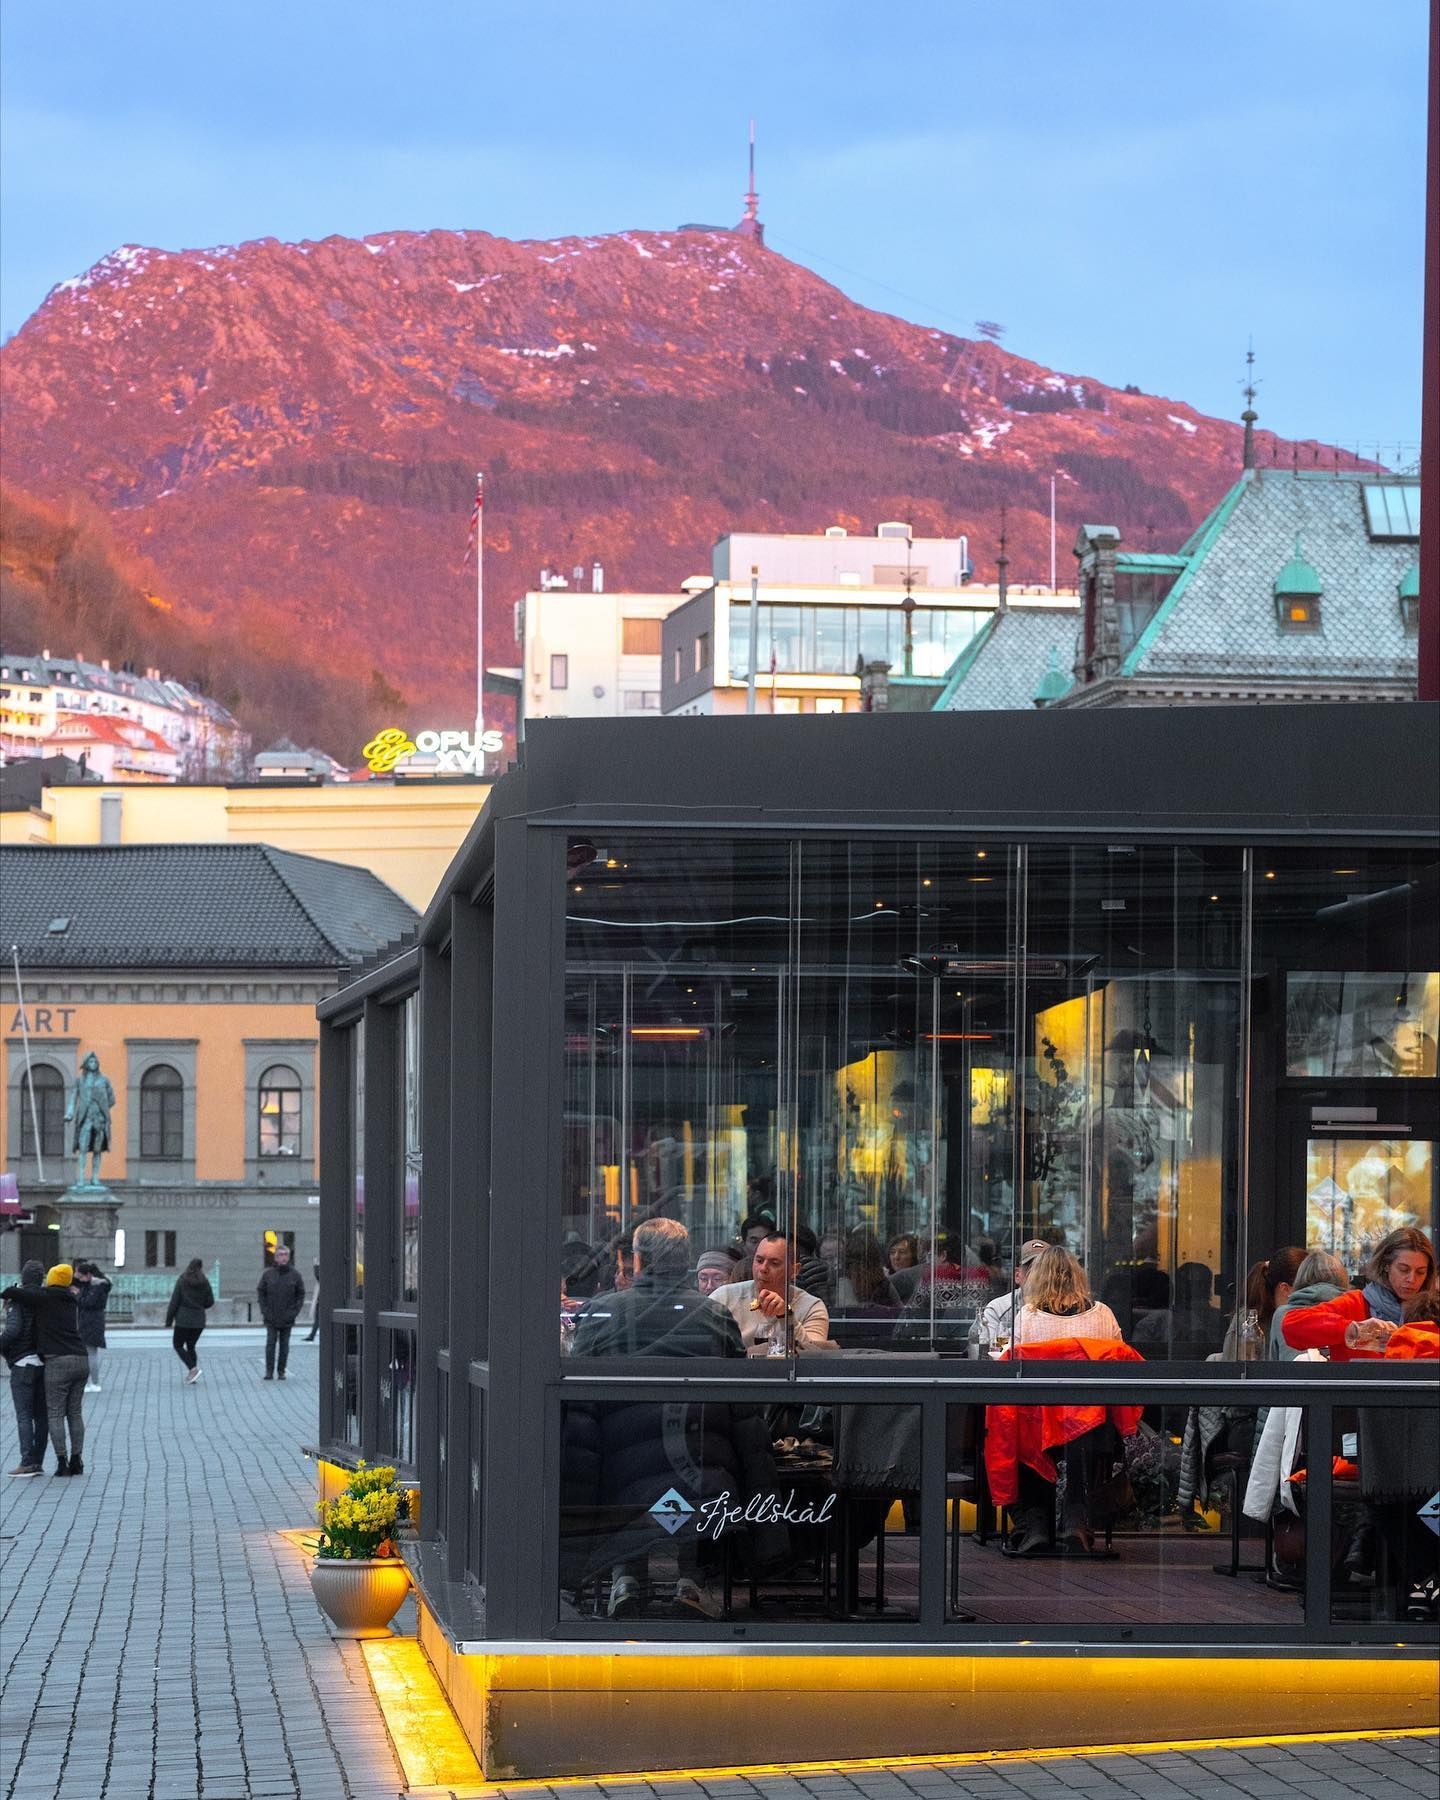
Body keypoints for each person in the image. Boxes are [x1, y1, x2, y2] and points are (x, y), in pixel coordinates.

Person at [570, 1218, 745, 1618]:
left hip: (619, 1458)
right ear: (684, 1261)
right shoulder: (713, 1315)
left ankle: (626, 1577)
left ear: (638, 1260)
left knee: (632, 1468)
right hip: (697, 1450)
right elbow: (741, 1390)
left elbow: (576, 1387)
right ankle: (690, 1578)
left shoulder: (603, 1312)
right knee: (681, 1474)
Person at [1282, 1227, 1435, 1360]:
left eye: (1421, 1272)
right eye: (1403, 1269)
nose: (1411, 1279)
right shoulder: (1356, 1303)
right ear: (1386, 1266)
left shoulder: (1433, 1309)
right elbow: (1291, 1326)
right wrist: (1352, 1329)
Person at [0, 1263, 89, 1476]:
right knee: (73, 1413)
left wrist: (10, 1292)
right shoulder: (70, 1299)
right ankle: (76, 1461)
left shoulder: (44, 1296)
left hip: (54, 1362)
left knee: (51, 1413)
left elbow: (12, 1297)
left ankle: (58, 1463)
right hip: (79, 1358)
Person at [709, 1232, 831, 1353]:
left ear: (795, 1270)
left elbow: (814, 1355)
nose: (763, 1269)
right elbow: (703, 1346)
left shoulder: (812, 1307)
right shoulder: (724, 1297)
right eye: (759, 1261)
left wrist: (786, 1316)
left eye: (774, 1263)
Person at [1014, 1246, 1124, 1347]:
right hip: (1093, 1369)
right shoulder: (1103, 1314)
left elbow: (1010, 1361)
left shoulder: (1027, 1316)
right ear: (1078, 1275)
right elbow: (1120, 1359)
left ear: (1037, 1278)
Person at [2, 1260, 49, 1476]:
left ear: (23, 1277)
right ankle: (37, 1461)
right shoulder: (46, 1299)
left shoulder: (18, 1300)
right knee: (41, 1415)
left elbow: (12, 1331)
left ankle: (27, 1461)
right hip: (42, 1363)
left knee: (24, 1415)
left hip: (22, 1363)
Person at [1132, 1261, 1225, 1361]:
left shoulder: (1219, 1319)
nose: (1196, 1290)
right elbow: (1137, 1358)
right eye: (1188, 1284)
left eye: (1201, 1284)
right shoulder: (1155, 1322)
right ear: (1178, 1287)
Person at [971, 1239, 1050, 1353]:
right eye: (1031, 1269)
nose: (1038, 1276)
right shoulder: (998, 1309)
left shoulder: (1066, 1308)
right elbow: (990, 1351)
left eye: (1045, 1269)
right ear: (1018, 1275)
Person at [1270, 1250, 1350, 1361]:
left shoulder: (1283, 1315)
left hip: (1293, 1377)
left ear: (1300, 1279)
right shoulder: (1354, 1310)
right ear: (1343, 1280)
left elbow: (1273, 1366)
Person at [257, 1245, 305, 1380]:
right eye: (280, 1255)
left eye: (285, 1255)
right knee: (270, 1345)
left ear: (289, 1257)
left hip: (287, 1317)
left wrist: (294, 1312)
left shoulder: (295, 1275)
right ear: (276, 1257)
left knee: (284, 1346)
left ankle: (281, 1370)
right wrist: (264, 1310)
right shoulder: (268, 1275)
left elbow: (300, 1294)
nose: (283, 1257)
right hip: (271, 1316)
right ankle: (269, 1371)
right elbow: (261, 1292)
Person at [166, 1257, 215, 1383]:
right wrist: (200, 1306)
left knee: (177, 1344)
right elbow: (210, 1301)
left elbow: (174, 1301)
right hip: (199, 1320)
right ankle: (193, 1375)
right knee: (191, 1346)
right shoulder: (205, 1282)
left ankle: (193, 1369)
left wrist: (169, 1320)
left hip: (183, 1320)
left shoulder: (182, 1280)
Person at [74, 1260, 112, 1392]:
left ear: (88, 1275)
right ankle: (91, 1382)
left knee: (91, 1353)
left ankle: (94, 1383)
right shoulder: (96, 1284)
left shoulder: (97, 1286)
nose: (80, 1280)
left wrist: (77, 1295)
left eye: (81, 1276)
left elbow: (88, 1303)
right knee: (89, 1353)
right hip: (91, 1321)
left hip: (91, 1322)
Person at [305, 1259, 321, 1341]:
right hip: (320, 1300)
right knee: (318, 1320)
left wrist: (316, 1266)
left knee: (318, 1319)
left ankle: (312, 1336)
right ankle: (312, 1335)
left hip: (321, 1301)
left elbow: (318, 1277)